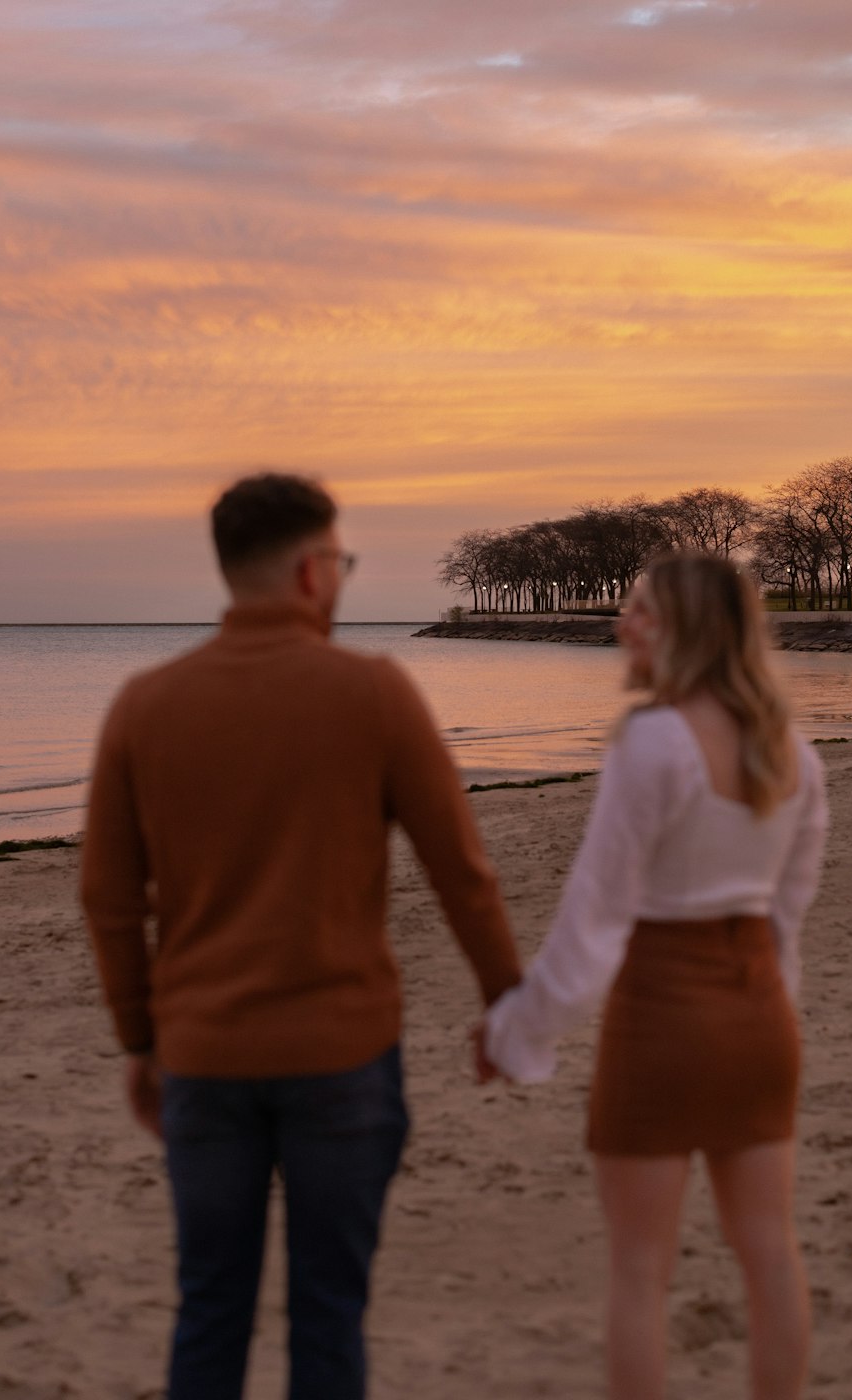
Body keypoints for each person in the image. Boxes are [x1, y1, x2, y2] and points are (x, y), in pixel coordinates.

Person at [80, 473, 521, 1400]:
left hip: (202, 1053)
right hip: (343, 1057)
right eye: (342, 561)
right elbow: (461, 872)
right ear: (314, 570)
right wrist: (506, 1003)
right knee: (328, 1314)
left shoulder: (143, 704)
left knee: (210, 1308)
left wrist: (137, 1040)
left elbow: (110, 900)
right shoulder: (373, 693)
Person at [481, 550, 828, 1400]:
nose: (620, 622)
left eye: (640, 609)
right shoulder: (795, 754)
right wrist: (773, 1019)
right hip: (758, 1020)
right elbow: (787, 918)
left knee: (640, 1271)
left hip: (663, 1022)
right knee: (770, 1251)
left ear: (687, 630)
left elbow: (594, 914)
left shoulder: (653, 740)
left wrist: (517, 1030)